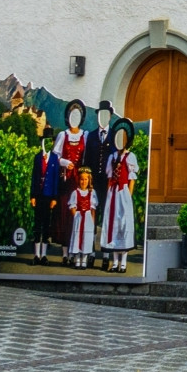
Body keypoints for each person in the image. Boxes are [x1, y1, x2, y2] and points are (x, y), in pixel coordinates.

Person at [99, 120, 139, 273]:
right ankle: (115, 262)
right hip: (113, 192)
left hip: (123, 193)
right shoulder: (112, 157)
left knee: (124, 224)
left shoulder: (130, 157)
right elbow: (110, 178)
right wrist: (109, 193)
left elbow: (132, 178)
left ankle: (123, 262)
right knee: (113, 224)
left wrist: (128, 194)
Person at [52, 100, 88, 252]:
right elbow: (55, 157)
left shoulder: (84, 135)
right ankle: (65, 253)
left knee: (78, 213)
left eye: (77, 116)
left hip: (79, 181)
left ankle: (77, 249)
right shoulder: (62, 135)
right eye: (72, 115)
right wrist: (65, 162)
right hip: (66, 180)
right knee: (65, 213)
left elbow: (87, 157)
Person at [28, 132, 62, 264]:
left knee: (46, 226)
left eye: (49, 141)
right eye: (44, 141)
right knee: (37, 225)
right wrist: (32, 195)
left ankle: (44, 255)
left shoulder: (54, 159)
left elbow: (55, 180)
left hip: (49, 197)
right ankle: (36, 255)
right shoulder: (37, 158)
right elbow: (34, 177)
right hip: (39, 195)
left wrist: (54, 198)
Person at [84, 101, 114, 234]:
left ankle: (106, 252)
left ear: (110, 117)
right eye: (100, 114)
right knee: (92, 211)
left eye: (105, 114)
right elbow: (87, 159)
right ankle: (90, 248)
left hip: (108, 182)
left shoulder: (115, 135)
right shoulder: (90, 136)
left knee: (107, 212)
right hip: (94, 180)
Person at [66, 166, 98, 269]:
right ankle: (77, 259)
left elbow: (93, 209)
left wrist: (92, 222)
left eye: (85, 179)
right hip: (79, 218)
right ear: (78, 180)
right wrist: (76, 215)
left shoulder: (92, 193)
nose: (83, 182)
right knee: (77, 237)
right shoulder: (75, 192)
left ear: (89, 180)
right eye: (81, 179)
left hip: (88, 218)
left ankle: (84, 259)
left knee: (86, 238)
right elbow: (72, 206)